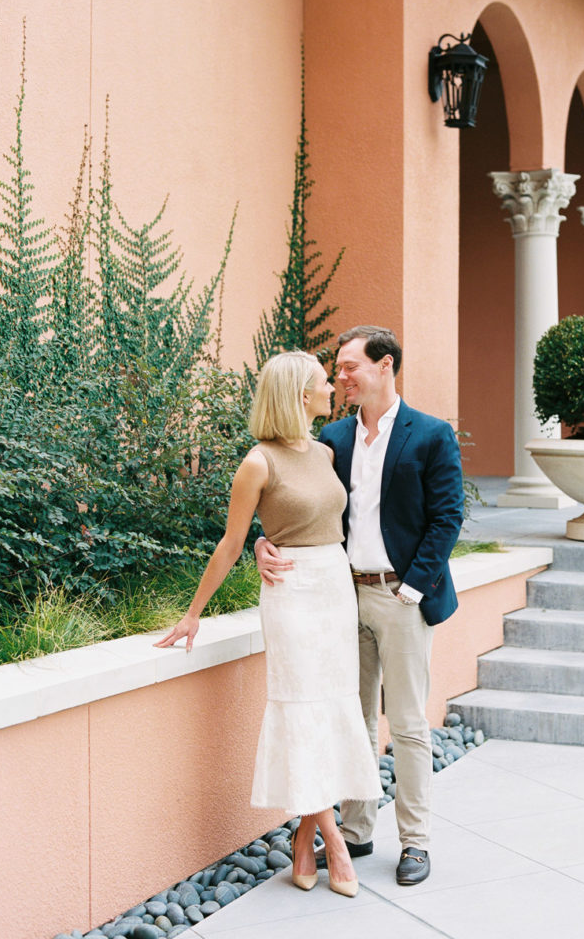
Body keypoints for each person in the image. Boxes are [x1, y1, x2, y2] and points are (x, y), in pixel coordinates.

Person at [155, 350, 381, 898]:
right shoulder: (257, 462)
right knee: (301, 709)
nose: (332, 387)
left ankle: (304, 837)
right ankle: (333, 838)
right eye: (324, 382)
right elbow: (230, 542)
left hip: (334, 589)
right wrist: (192, 613)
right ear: (301, 394)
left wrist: (268, 540)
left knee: (330, 708)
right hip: (292, 594)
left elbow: (328, 520)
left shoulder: (326, 452)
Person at [256, 326, 464, 886]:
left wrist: (412, 589)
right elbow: (296, 501)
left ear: (385, 365)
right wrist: (262, 541)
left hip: (402, 596)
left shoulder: (431, 434)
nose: (340, 376)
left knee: (408, 723)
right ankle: (355, 831)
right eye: (337, 369)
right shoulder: (333, 437)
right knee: (353, 717)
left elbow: (448, 517)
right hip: (339, 596)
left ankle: (415, 842)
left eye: (350, 366)